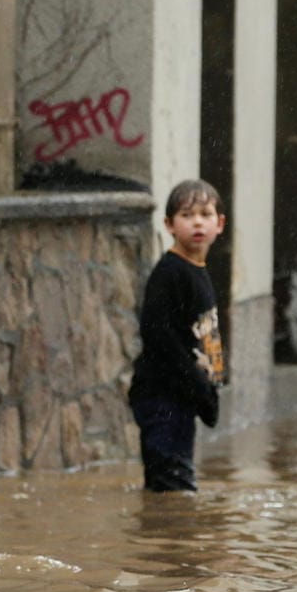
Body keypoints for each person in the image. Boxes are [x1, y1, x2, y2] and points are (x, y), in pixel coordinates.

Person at [127, 179, 227, 492]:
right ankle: (168, 539)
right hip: (162, 397)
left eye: (205, 214)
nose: (197, 222)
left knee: (176, 483)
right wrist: (200, 388)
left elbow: (202, 335)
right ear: (169, 225)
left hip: (181, 397)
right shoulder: (170, 272)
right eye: (187, 215)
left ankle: (169, 534)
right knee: (172, 487)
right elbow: (158, 336)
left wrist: (209, 388)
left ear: (219, 224)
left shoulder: (198, 270)